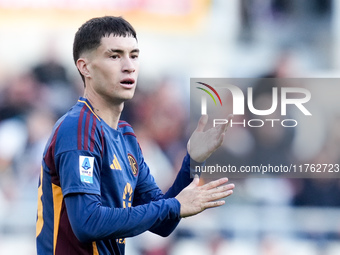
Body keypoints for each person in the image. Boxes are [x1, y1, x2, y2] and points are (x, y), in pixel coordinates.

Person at [36, 16, 234, 255]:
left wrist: (192, 161)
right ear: (84, 67)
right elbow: (87, 223)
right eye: (114, 56)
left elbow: (163, 222)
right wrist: (174, 205)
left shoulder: (126, 136)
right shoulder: (78, 127)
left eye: (134, 55)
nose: (128, 65)